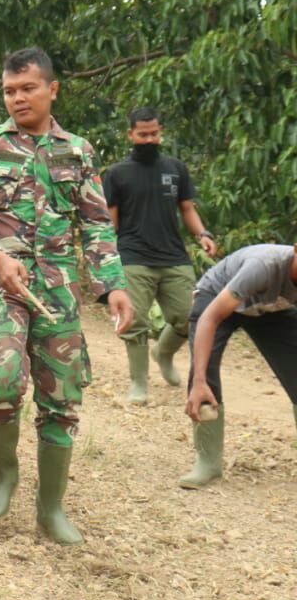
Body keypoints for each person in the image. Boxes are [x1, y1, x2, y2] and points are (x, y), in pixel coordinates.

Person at [0, 47, 134, 546]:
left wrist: (114, 284)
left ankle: (50, 508)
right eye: (9, 91)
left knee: (62, 395)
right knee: (3, 376)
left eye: (28, 88)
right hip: (0, 284)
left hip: (57, 289)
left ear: (52, 89)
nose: (17, 99)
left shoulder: (77, 151)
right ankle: (4, 475)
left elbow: (97, 224)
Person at [103, 107, 218, 404]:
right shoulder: (117, 174)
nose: (149, 139)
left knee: (189, 316)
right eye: (143, 134)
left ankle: (163, 353)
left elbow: (187, 209)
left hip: (173, 255)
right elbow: (109, 221)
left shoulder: (175, 168)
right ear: (130, 135)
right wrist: (106, 258)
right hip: (133, 255)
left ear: (160, 132)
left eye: (154, 133)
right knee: (135, 320)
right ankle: (139, 383)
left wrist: (203, 235)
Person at [180, 244, 297, 489]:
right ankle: (208, 461)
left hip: (269, 307)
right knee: (205, 371)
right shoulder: (263, 266)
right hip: (217, 297)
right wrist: (199, 380)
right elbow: (210, 318)